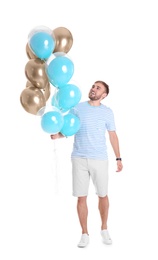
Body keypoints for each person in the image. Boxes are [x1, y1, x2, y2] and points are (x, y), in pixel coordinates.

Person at [50, 80, 123, 248]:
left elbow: (113, 135)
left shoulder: (107, 112)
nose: (93, 89)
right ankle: (84, 233)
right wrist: (58, 136)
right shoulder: (78, 108)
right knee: (81, 197)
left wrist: (118, 158)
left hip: (100, 158)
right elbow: (70, 129)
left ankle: (104, 229)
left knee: (103, 194)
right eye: (93, 86)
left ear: (103, 95)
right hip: (79, 158)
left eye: (98, 88)